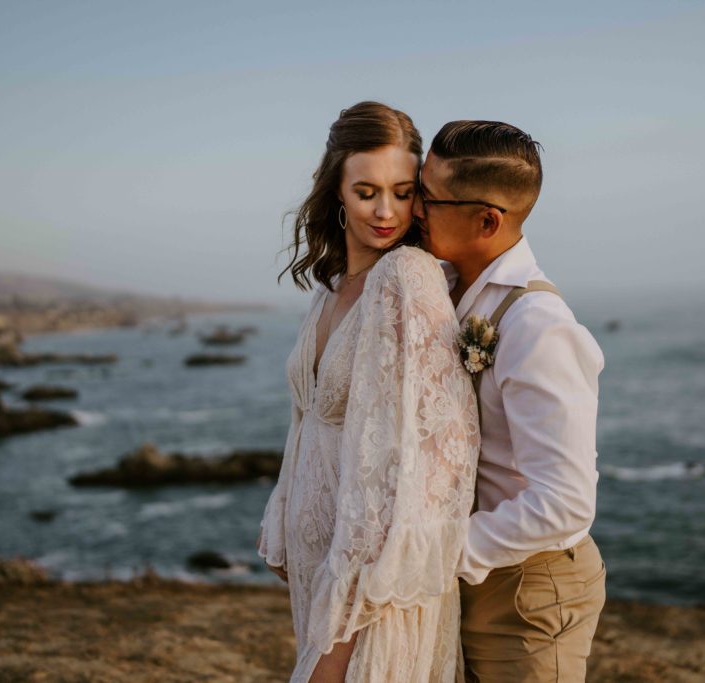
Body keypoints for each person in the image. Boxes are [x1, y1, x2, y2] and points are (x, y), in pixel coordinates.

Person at [256, 102, 480, 682]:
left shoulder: (407, 278)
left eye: (403, 192)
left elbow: (430, 457)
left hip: (370, 589)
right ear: (336, 190)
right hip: (317, 563)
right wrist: (283, 522)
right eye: (366, 192)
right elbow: (304, 421)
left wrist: (354, 608)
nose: (386, 212)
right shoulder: (331, 290)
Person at [413, 120, 606, 681]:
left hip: (527, 589)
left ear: (487, 220)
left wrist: (436, 554)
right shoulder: (440, 286)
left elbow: (566, 502)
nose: (413, 208)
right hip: (475, 574)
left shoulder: (537, 326)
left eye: (427, 197)